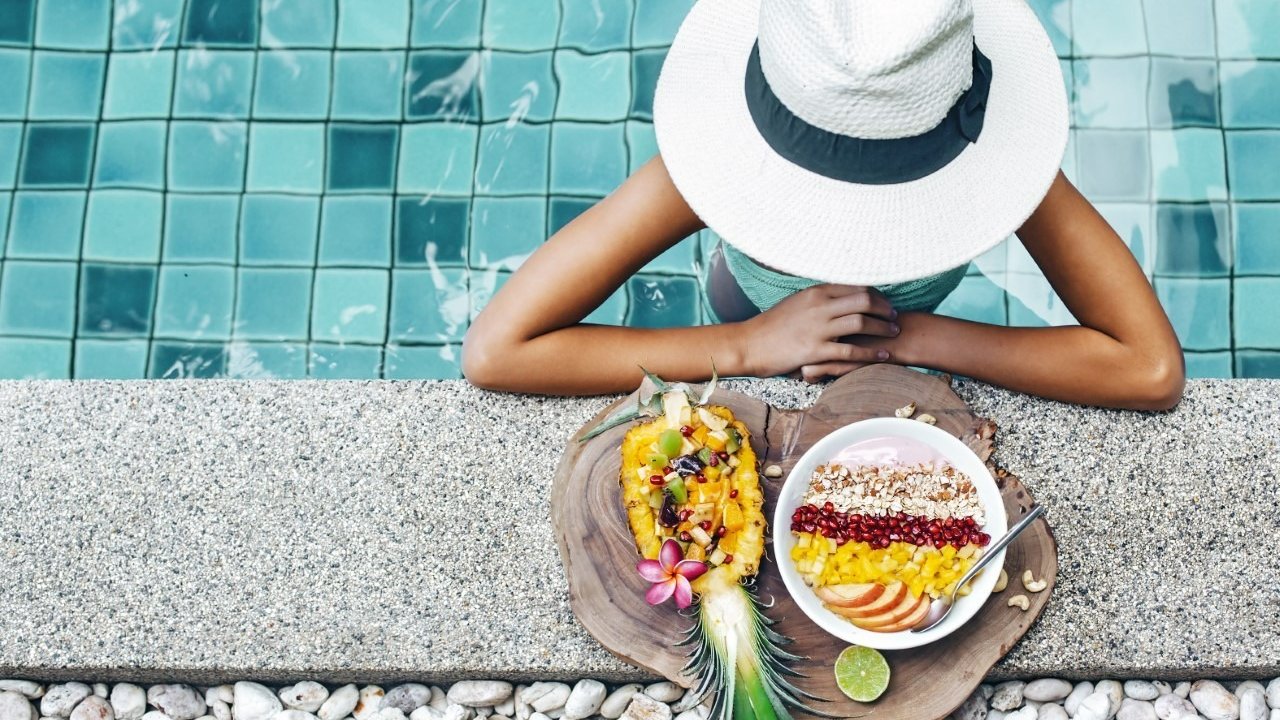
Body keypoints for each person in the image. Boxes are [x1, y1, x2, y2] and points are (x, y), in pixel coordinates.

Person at [463, 0, 1185, 410]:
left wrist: (909, 338)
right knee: (731, 296)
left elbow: (1151, 371)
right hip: (751, 309)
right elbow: (497, 350)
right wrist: (750, 346)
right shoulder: (698, 174)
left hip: (896, 327)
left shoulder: (986, 138)